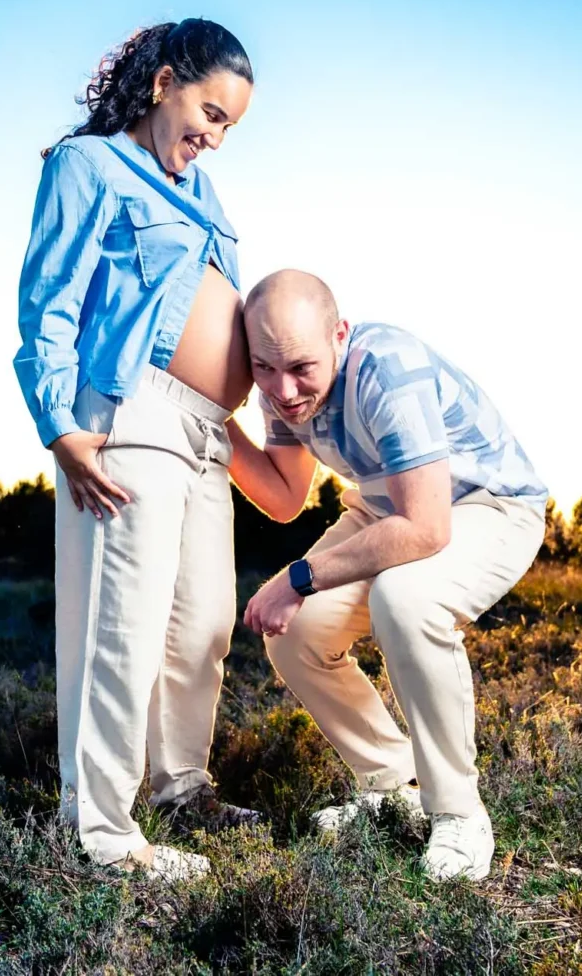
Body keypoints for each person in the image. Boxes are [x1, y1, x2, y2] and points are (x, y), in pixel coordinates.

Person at [13, 19, 261, 882]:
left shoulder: (205, 195)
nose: (215, 134)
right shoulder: (88, 165)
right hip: (130, 411)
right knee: (123, 623)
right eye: (209, 110)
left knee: (203, 623)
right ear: (163, 82)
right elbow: (47, 297)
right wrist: (61, 423)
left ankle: (179, 786)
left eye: (230, 124)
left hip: (206, 431)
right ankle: (103, 836)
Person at [227, 269, 549, 882]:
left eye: (300, 367)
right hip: (386, 509)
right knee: (294, 633)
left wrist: (297, 577)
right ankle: (391, 781)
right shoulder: (280, 390)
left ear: (339, 334)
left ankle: (458, 814)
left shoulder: (385, 370)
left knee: (405, 598)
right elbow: (286, 494)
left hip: (489, 506)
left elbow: (426, 528)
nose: (283, 390)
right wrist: (216, 420)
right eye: (263, 368)